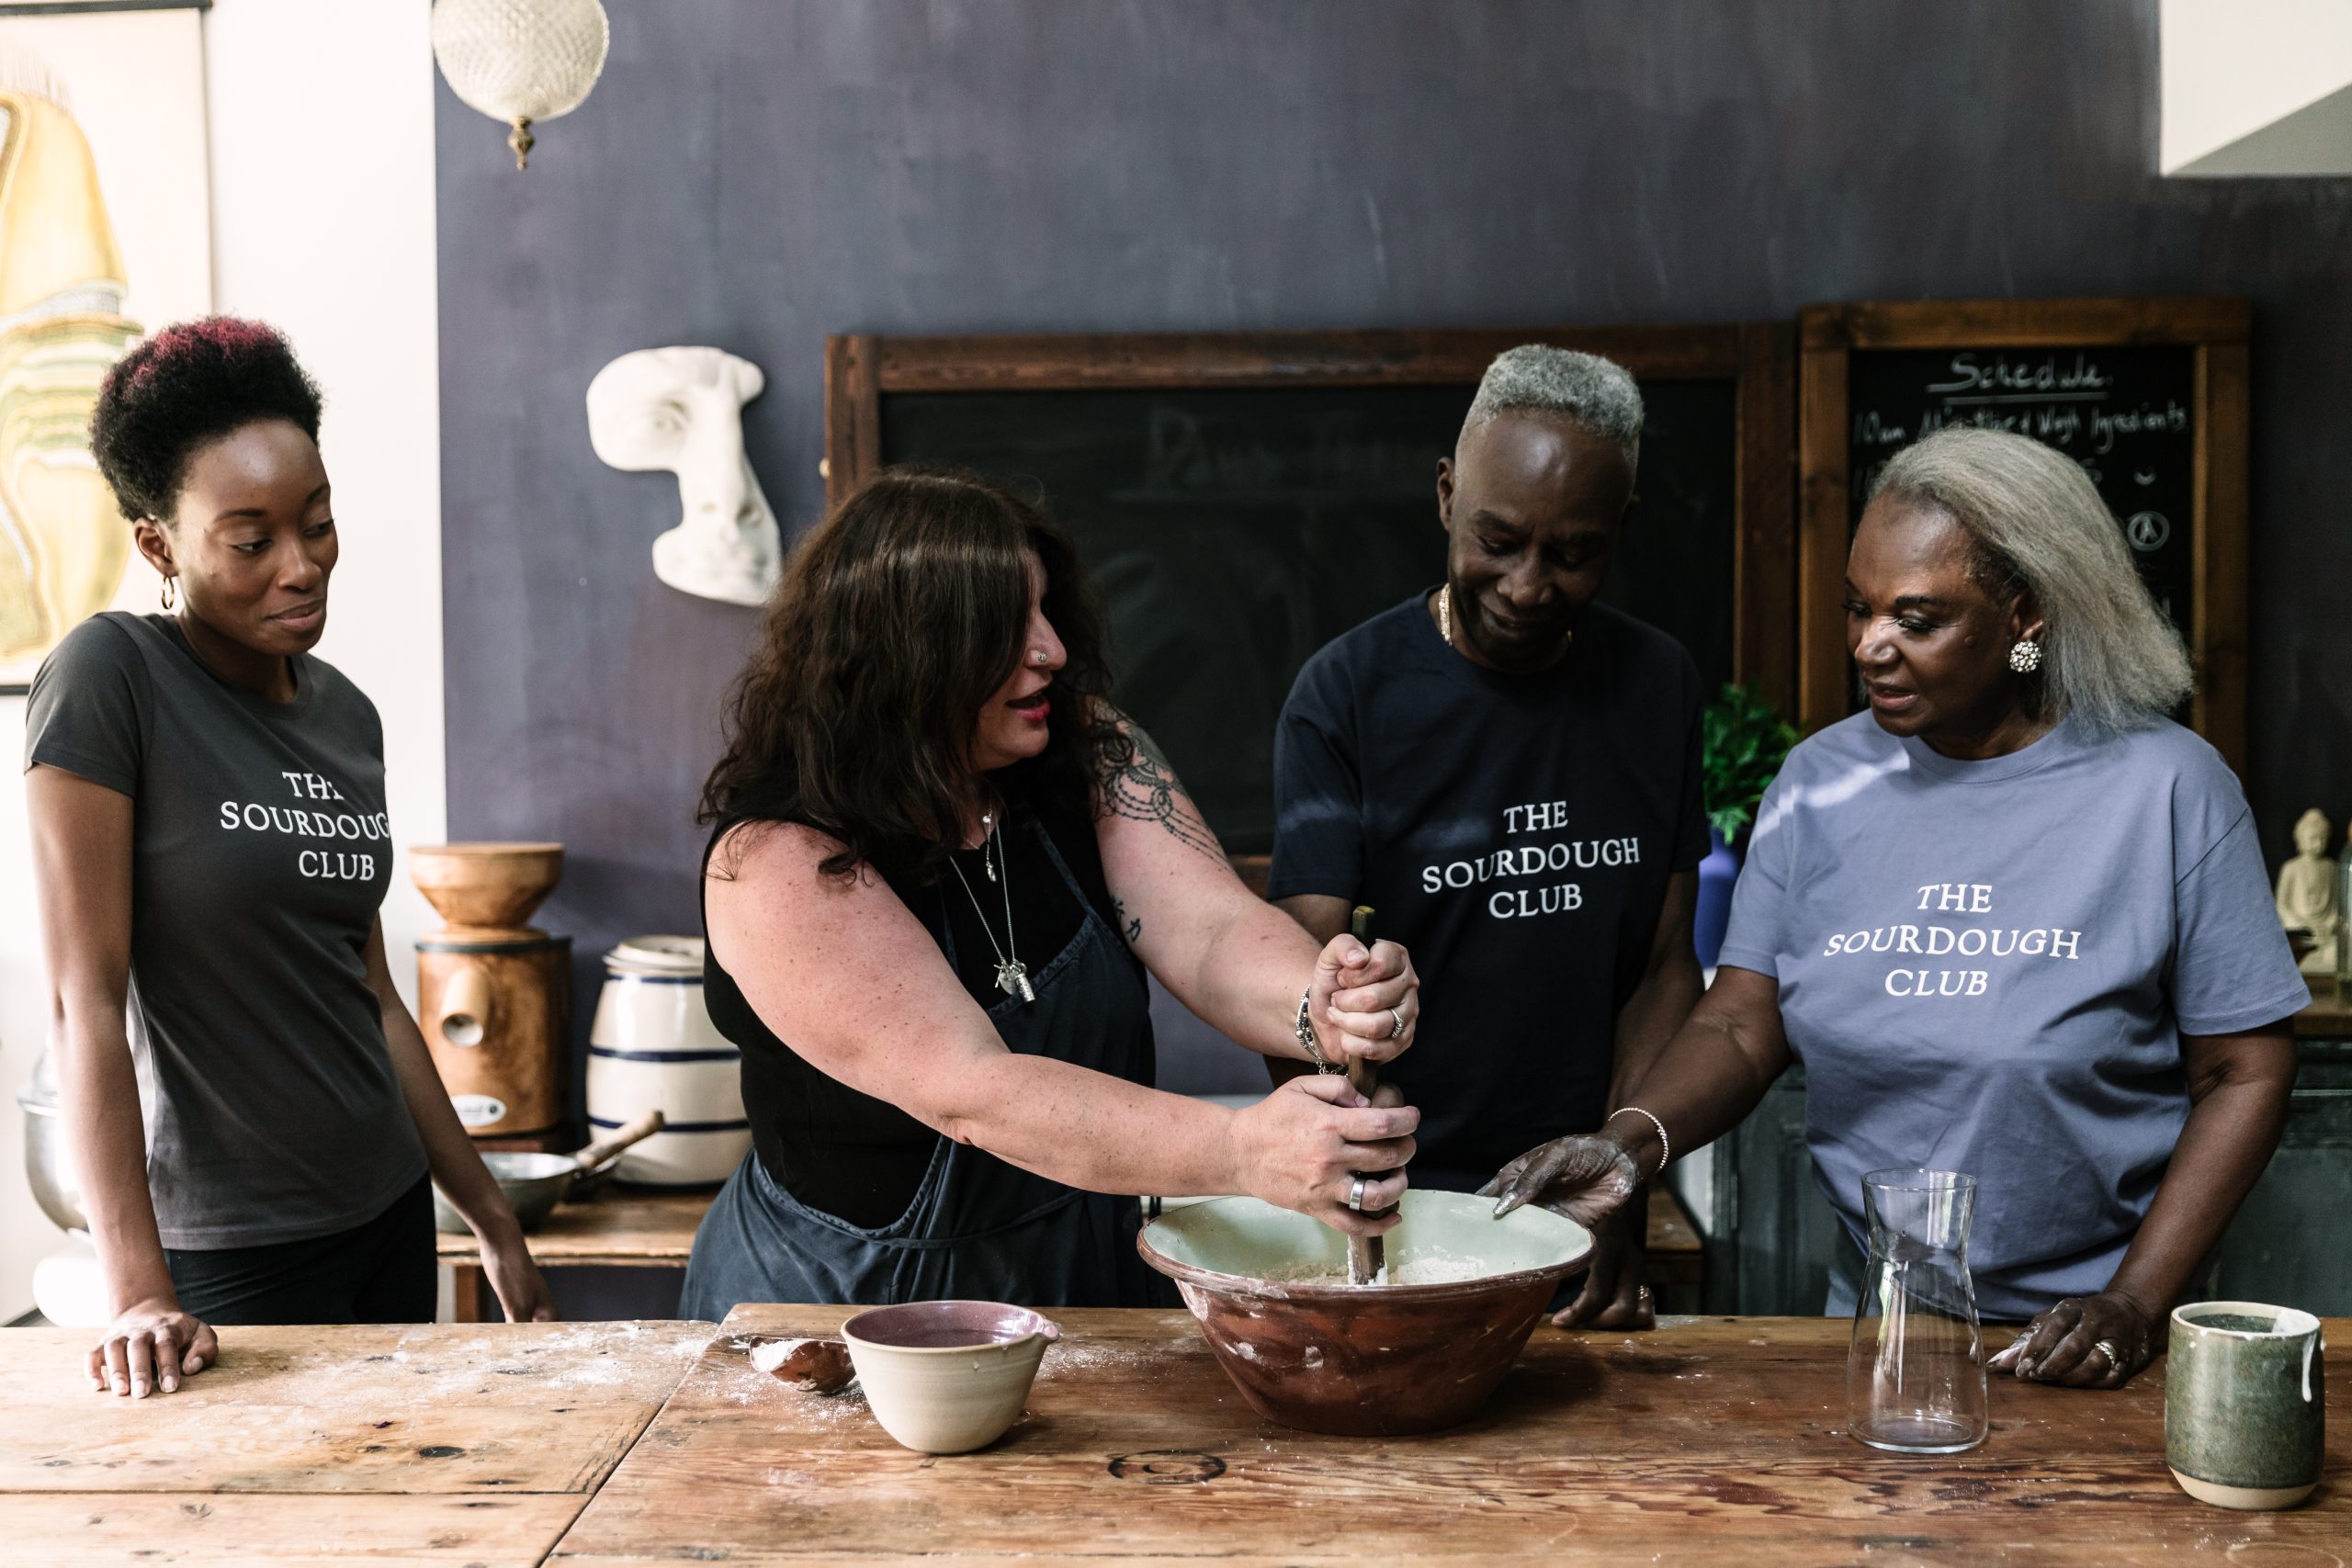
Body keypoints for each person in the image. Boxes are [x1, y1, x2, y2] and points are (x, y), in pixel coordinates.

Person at [1487, 425, 2306, 1388]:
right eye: (1857, 607)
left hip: (2102, 1342)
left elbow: (2243, 1072)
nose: (1869, 646)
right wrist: (1627, 1140)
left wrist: (2135, 1301)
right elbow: (1747, 1020)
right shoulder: (1818, 782)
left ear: (2026, 614)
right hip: (1880, 1328)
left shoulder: (2167, 788)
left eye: (1916, 619)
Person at [679, 468, 1424, 1315]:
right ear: (910, 652)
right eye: (1007, 627)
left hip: (1079, 1264)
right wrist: (1244, 1149)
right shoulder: (779, 860)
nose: (1053, 651)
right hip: (854, 1307)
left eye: (1045, 610)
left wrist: (1320, 1003)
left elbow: (1209, 930)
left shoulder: (1084, 745)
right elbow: (975, 1091)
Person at [28, 318, 553, 1400]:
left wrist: (490, 1221)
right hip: (232, 1250)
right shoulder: (110, 678)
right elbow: (86, 1002)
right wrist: (136, 1290)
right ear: (160, 545)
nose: (301, 565)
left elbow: (372, 999)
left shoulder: (345, 716)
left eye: (316, 522)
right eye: (250, 539)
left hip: (388, 1208)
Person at [1267, 346, 1707, 1329]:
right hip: (1404, 1197)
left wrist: (1619, 1168)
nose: (1526, 583)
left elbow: (1664, 967)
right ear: (1444, 497)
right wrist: (1364, 1190)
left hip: (1584, 1192)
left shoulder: (1656, 686)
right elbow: (1303, 988)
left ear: (1620, 532)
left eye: (1572, 552)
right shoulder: (1346, 696)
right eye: (1496, 539)